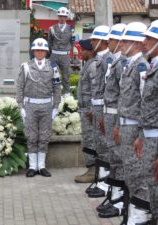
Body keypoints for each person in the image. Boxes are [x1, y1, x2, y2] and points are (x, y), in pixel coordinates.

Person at [116, 22, 149, 225]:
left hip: (136, 127)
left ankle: (138, 218)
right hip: (126, 125)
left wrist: (140, 134)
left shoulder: (141, 66)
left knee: (138, 175)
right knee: (129, 172)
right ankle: (131, 215)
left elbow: (146, 101)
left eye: (125, 41)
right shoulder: (129, 65)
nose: (120, 45)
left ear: (136, 44)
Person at [16, 38, 61, 177]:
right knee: (31, 136)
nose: (40, 52)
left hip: (46, 105)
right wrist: (21, 106)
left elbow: (57, 87)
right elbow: (20, 87)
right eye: (37, 50)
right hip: (30, 105)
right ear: (33, 51)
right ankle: (32, 166)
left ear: (46, 52)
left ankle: (41, 166)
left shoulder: (53, 67)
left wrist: (55, 106)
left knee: (44, 136)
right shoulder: (25, 66)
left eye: (42, 50)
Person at [97, 23, 127, 219]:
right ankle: (115, 196)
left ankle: (120, 201)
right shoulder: (114, 61)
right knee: (113, 157)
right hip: (109, 113)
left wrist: (116, 122)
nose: (110, 44)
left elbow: (124, 95)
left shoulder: (123, 63)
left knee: (119, 159)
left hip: (117, 115)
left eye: (113, 41)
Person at [133, 20, 158, 225]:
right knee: (152, 185)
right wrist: (141, 136)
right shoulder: (152, 67)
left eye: (149, 38)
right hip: (149, 138)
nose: (144, 42)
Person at [87, 25, 114, 199]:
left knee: (105, 146)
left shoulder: (108, 60)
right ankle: (101, 179)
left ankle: (105, 183)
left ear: (104, 42)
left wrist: (103, 112)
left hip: (104, 107)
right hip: (97, 106)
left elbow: (108, 90)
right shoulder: (99, 59)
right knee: (99, 145)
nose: (92, 42)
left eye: (95, 40)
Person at [74, 39, 97, 183]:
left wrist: (93, 109)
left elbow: (96, 89)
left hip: (89, 110)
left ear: (90, 51)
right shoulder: (88, 65)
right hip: (85, 109)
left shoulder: (93, 66)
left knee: (90, 140)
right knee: (87, 139)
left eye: (82, 49)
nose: (80, 52)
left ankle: (93, 171)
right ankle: (91, 169)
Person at [48, 6, 74, 96]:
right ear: (58, 16)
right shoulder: (52, 28)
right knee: (52, 75)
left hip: (65, 55)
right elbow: (50, 42)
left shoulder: (71, 29)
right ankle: (52, 93)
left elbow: (72, 42)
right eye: (60, 16)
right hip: (54, 55)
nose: (62, 18)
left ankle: (66, 93)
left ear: (66, 17)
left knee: (66, 76)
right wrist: (54, 50)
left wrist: (67, 51)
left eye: (64, 16)